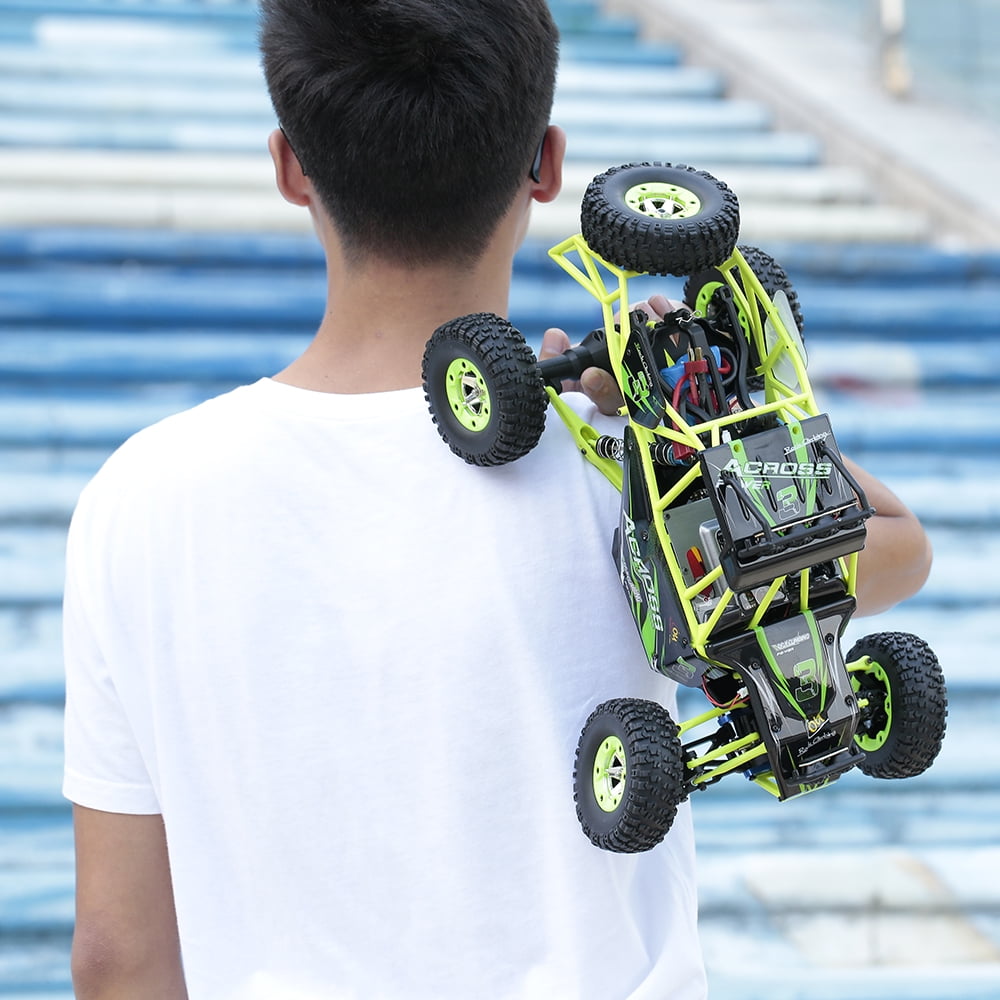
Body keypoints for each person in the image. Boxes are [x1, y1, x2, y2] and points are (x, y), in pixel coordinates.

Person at [62, 1, 932, 997]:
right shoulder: (631, 457)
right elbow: (899, 547)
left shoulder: (138, 498)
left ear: (290, 166)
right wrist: (714, 403)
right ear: (547, 165)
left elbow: (117, 957)